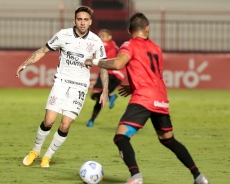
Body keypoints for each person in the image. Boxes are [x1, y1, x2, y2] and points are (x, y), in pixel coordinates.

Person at [83, 13, 209, 184]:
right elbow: (152, 75)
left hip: (144, 99)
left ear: (129, 30)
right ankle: (199, 177)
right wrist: (132, 86)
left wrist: (95, 61)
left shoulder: (129, 45)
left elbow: (118, 64)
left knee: (121, 137)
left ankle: (136, 177)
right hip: (161, 99)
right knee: (168, 139)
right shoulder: (156, 47)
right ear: (147, 28)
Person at [15, 6, 108, 168]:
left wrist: (105, 91)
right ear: (74, 21)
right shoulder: (62, 35)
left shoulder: (96, 41)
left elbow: (104, 66)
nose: (83, 23)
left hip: (79, 87)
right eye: (80, 19)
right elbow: (43, 50)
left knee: (65, 124)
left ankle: (48, 156)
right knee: (49, 120)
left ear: (90, 22)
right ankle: (35, 151)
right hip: (61, 83)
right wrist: (25, 63)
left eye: (86, 20)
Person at [86, 29, 126, 127]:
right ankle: (91, 120)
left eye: (103, 36)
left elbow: (95, 55)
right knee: (100, 98)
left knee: (94, 94)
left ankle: (111, 97)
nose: (101, 38)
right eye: (100, 36)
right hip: (119, 76)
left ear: (109, 37)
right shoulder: (114, 46)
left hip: (108, 72)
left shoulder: (106, 44)